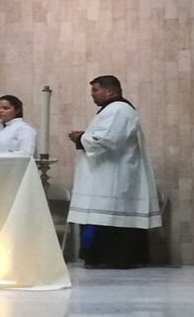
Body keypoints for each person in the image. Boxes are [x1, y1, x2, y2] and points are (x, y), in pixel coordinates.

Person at [66, 75, 161, 269]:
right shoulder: (110, 110)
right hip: (106, 176)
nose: (92, 95)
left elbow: (107, 140)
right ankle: (99, 257)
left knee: (111, 219)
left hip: (113, 178)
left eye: (95, 90)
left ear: (110, 91)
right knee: (101, 219)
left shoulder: (119, 109)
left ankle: (113, 258)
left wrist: (80, 137)